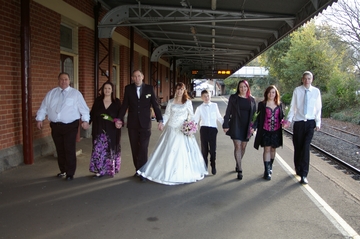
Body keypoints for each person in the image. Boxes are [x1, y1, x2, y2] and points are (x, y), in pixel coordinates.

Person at [137, 82, 208, 185]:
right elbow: (167, 115)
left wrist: (191, 126)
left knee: (182, 153)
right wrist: (162, 123)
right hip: (171, 129)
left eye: (181, 89)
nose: (179, 91)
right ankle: (166, 173)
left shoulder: (187, 102)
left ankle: (182, 173)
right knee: (168, 152)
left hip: (182, 130)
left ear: (184, 91)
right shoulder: (171, 102)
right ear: (175, 90)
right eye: (178, 89)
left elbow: (192, 116)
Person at [36, 72, 90, 181]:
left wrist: (85, 120)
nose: (63, 81)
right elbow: (44, 107)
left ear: (69, 81)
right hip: (56, 126)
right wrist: (39, 118)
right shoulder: (51, 93)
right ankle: (63, 170)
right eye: (61, 79)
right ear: (58, 80)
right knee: (60, 149)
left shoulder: (75, 94)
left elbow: (84, 108)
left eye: (66, 79)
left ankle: (70, 173)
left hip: (70, 126)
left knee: (69, 149)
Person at [117, 69, 163, 181]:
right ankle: (138, 170)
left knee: (143, 148)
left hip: (145, 123)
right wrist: (119, 119)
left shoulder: (149, 88)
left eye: (138, 76)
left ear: (142, 77)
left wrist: (160, 120)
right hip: (132, 123)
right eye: (134, 76)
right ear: (133, 78)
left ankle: (143, 171)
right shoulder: (128, 89)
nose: (137, 78)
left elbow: (155, 105)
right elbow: (124, 105)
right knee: (134, 148)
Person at [285, 71, 322, 184]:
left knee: (306, 148)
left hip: (310, 123)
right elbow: (293, 106)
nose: (307, 81)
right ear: (302, 79)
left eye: (309, 78)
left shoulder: (316, 92)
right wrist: (289, 120)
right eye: (305, 78)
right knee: (298, 147)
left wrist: (318, 122)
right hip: (299, 123)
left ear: (312, 80)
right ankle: (298, 168)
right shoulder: (297, 90)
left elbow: (318, 107)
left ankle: (304, 174)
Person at [223, 80, 257, 180]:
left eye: (245, 87)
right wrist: (225, 124)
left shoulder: (252, 99)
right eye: (241, 87)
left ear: (247, 87)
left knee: (243, 147)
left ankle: (238, 163)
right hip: (236, 125)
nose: (243, 88)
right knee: (237, 146)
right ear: (238, 88)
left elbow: (255, 116)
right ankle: (240, 169)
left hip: (247, 127)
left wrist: (254, 127)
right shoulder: (233, 98)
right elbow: (228, 111)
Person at [89, 81, 122, 178]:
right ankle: (99, 170)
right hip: (99, 128)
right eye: (105, 88)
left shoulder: (117, 102)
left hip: (112, 130)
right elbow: (92, 113)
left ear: (112, 90)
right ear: (102, 90)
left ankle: (110, 169)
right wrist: (87, 122)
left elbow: (120, 115)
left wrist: (119, 122)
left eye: (109, 88)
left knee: (110, 149)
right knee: (99, 149)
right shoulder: (98, 101)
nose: (107, 90)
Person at [254, 85, 284, 180]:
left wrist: (285, 122)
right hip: (265, 130)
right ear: (266, 93)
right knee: (266, 149)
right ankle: (267, 171)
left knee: (273, 150)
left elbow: (282, 118)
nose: (271, 94)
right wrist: (253, 127)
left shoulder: (279, 105)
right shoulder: (262, 104)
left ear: (276, 94)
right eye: (270, 92)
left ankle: (270, 166)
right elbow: (258, 118)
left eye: (273, 92)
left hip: (276, 131)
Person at [194, 90, 223, 175]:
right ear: (202, 97)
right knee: (204, 149)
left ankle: (213, 165)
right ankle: (205, 166)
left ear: (210, 96)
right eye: (204, 96)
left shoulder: (215, 105)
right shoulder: (199, 108)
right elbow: (195, 119)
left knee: (213, 150)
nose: (206, 98)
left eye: (208, 96)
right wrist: (190, 128)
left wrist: (225, 125)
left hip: (213, 130)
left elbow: (219, 117)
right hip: (204, 129)